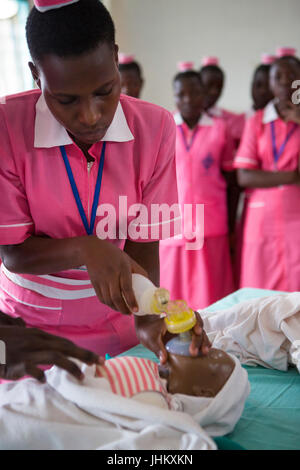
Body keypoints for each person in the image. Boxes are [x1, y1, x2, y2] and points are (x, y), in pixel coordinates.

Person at [0, 0, 210, 365]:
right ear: (36, 75)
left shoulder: (155, 128)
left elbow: (144, 244)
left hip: (116, 317)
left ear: (115, 57)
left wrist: (147, 317)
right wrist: (86, 249)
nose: (91, 116)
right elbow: (13, 253)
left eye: (105, 91)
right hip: (29, 327)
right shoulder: (7, 127)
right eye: (65, 100)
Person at [159, 69, 235, 310]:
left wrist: (232, 224)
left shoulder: (220, 129)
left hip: (210, 224)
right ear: (174, 96)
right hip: (173, 224)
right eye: (181, 94)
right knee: (173, 293)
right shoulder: (164, 127)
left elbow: (231, 179)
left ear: (204, 95)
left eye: (194, 93)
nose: (188, 99)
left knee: (212, 293)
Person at [234, 54, 300, 291]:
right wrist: (292, 176)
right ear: (270, 82)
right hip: (263, 217)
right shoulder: (257, 122)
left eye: (292, 76)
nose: (284, 82)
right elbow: (244, 176)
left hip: (297, 214)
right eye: (278, 77)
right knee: (261, 285)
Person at [199, 56, 243, 147]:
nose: (214, 91)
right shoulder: (177, 119)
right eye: (209, 85)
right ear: (197, 85)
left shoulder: (234, 121)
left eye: (219, 87)